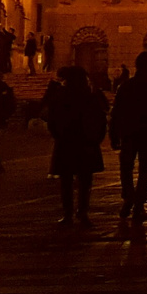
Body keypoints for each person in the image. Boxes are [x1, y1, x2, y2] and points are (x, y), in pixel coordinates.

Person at [110, 52, 147, 221]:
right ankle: (139, 204)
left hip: (128, 132)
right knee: (145, 169)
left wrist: (113, 134)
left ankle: (128, 197)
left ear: (136, 66)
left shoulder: (126, 86)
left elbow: (117, 113)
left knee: (126, 167)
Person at [44, 66, 107, 225]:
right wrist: (96, 138)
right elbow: (100, 118)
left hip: (66, 143)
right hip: (86, 143)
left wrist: (58, 135)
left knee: (66, 180)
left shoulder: (61, 95)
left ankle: (68, 213)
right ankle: (83, 212)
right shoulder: (90, 95)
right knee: (85, 181)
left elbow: (51, 117)